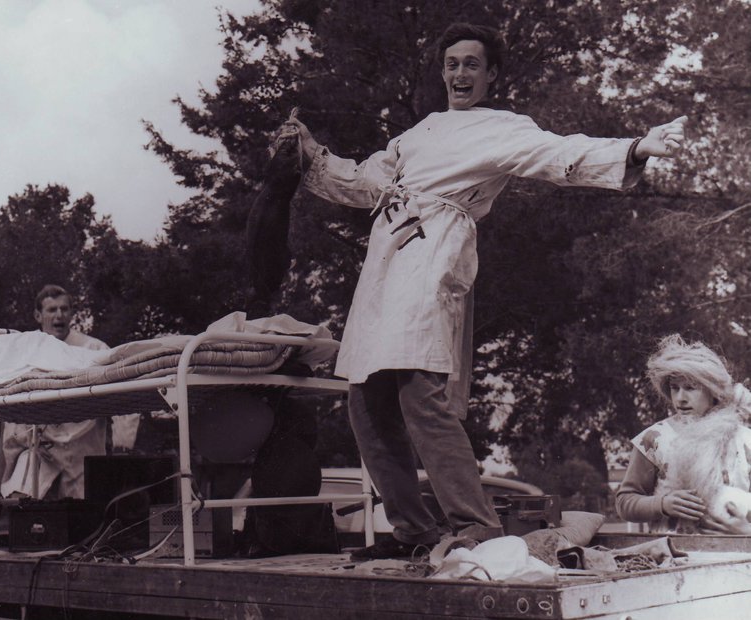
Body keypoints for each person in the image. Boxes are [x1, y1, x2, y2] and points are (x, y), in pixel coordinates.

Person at [279, 22, 689, 560]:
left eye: (472, 64)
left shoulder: (501, 127)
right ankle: (414, 532)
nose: (460, 74)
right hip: (384, 262)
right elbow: (361, 182)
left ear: (491, 74)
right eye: (452, 64)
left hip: (435, 253)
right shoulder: (417, 133)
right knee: (365, 400)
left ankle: (474, 523)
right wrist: (309, 153)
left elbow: (556, 153)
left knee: (419, 391)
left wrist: (635, 148)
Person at [616, 334, 751, 533]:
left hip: (737, 558)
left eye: (690, 388)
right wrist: (662, 504)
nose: (680, 398)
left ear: (712, 390)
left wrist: (746, 531)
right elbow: (625, 502)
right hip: (674, 558)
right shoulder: (654, 439)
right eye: (674, 388)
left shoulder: (744, 439)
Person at [0, 285, 110, 499]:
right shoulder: (26, 352)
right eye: (52, 310)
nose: (59, 315)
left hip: (82, 449)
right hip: (40, 450)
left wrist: (125, 439)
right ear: (38, 315)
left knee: (81, 515)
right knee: (31, 513)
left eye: (64, 309)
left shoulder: (94, 350)